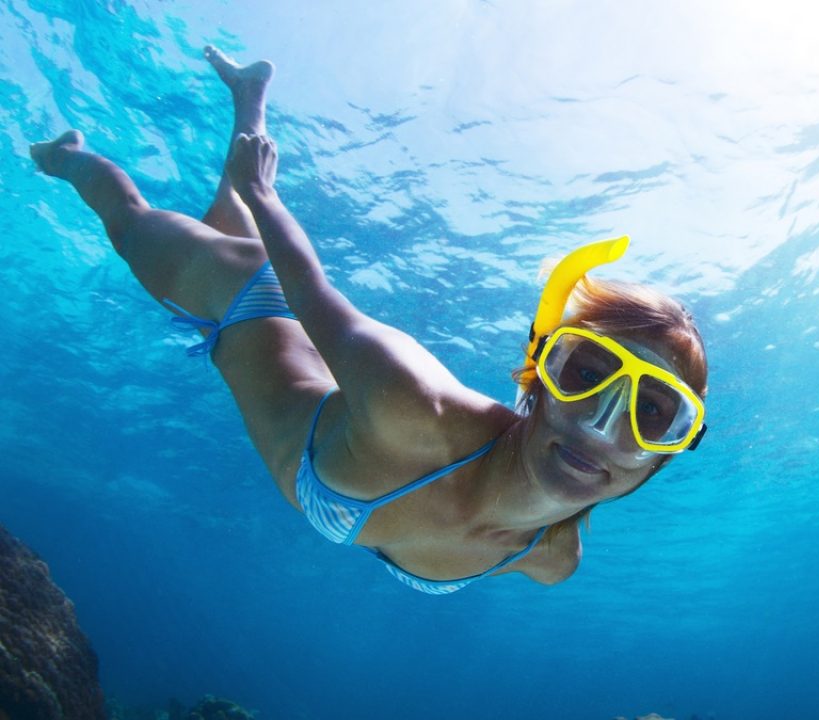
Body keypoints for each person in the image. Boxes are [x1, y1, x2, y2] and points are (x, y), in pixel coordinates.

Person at [29, 46, 709, 594]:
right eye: (585, 374)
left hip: (310, 370)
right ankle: (67, 156)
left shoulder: (550, 559)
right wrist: (262, 194)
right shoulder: (413, 405)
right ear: (535, 378)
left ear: (666, 455)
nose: (601, 424)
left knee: (217, 224)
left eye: (654, 413)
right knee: (131, 226)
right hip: (246, 298)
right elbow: (310, 291)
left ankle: (248, 101)